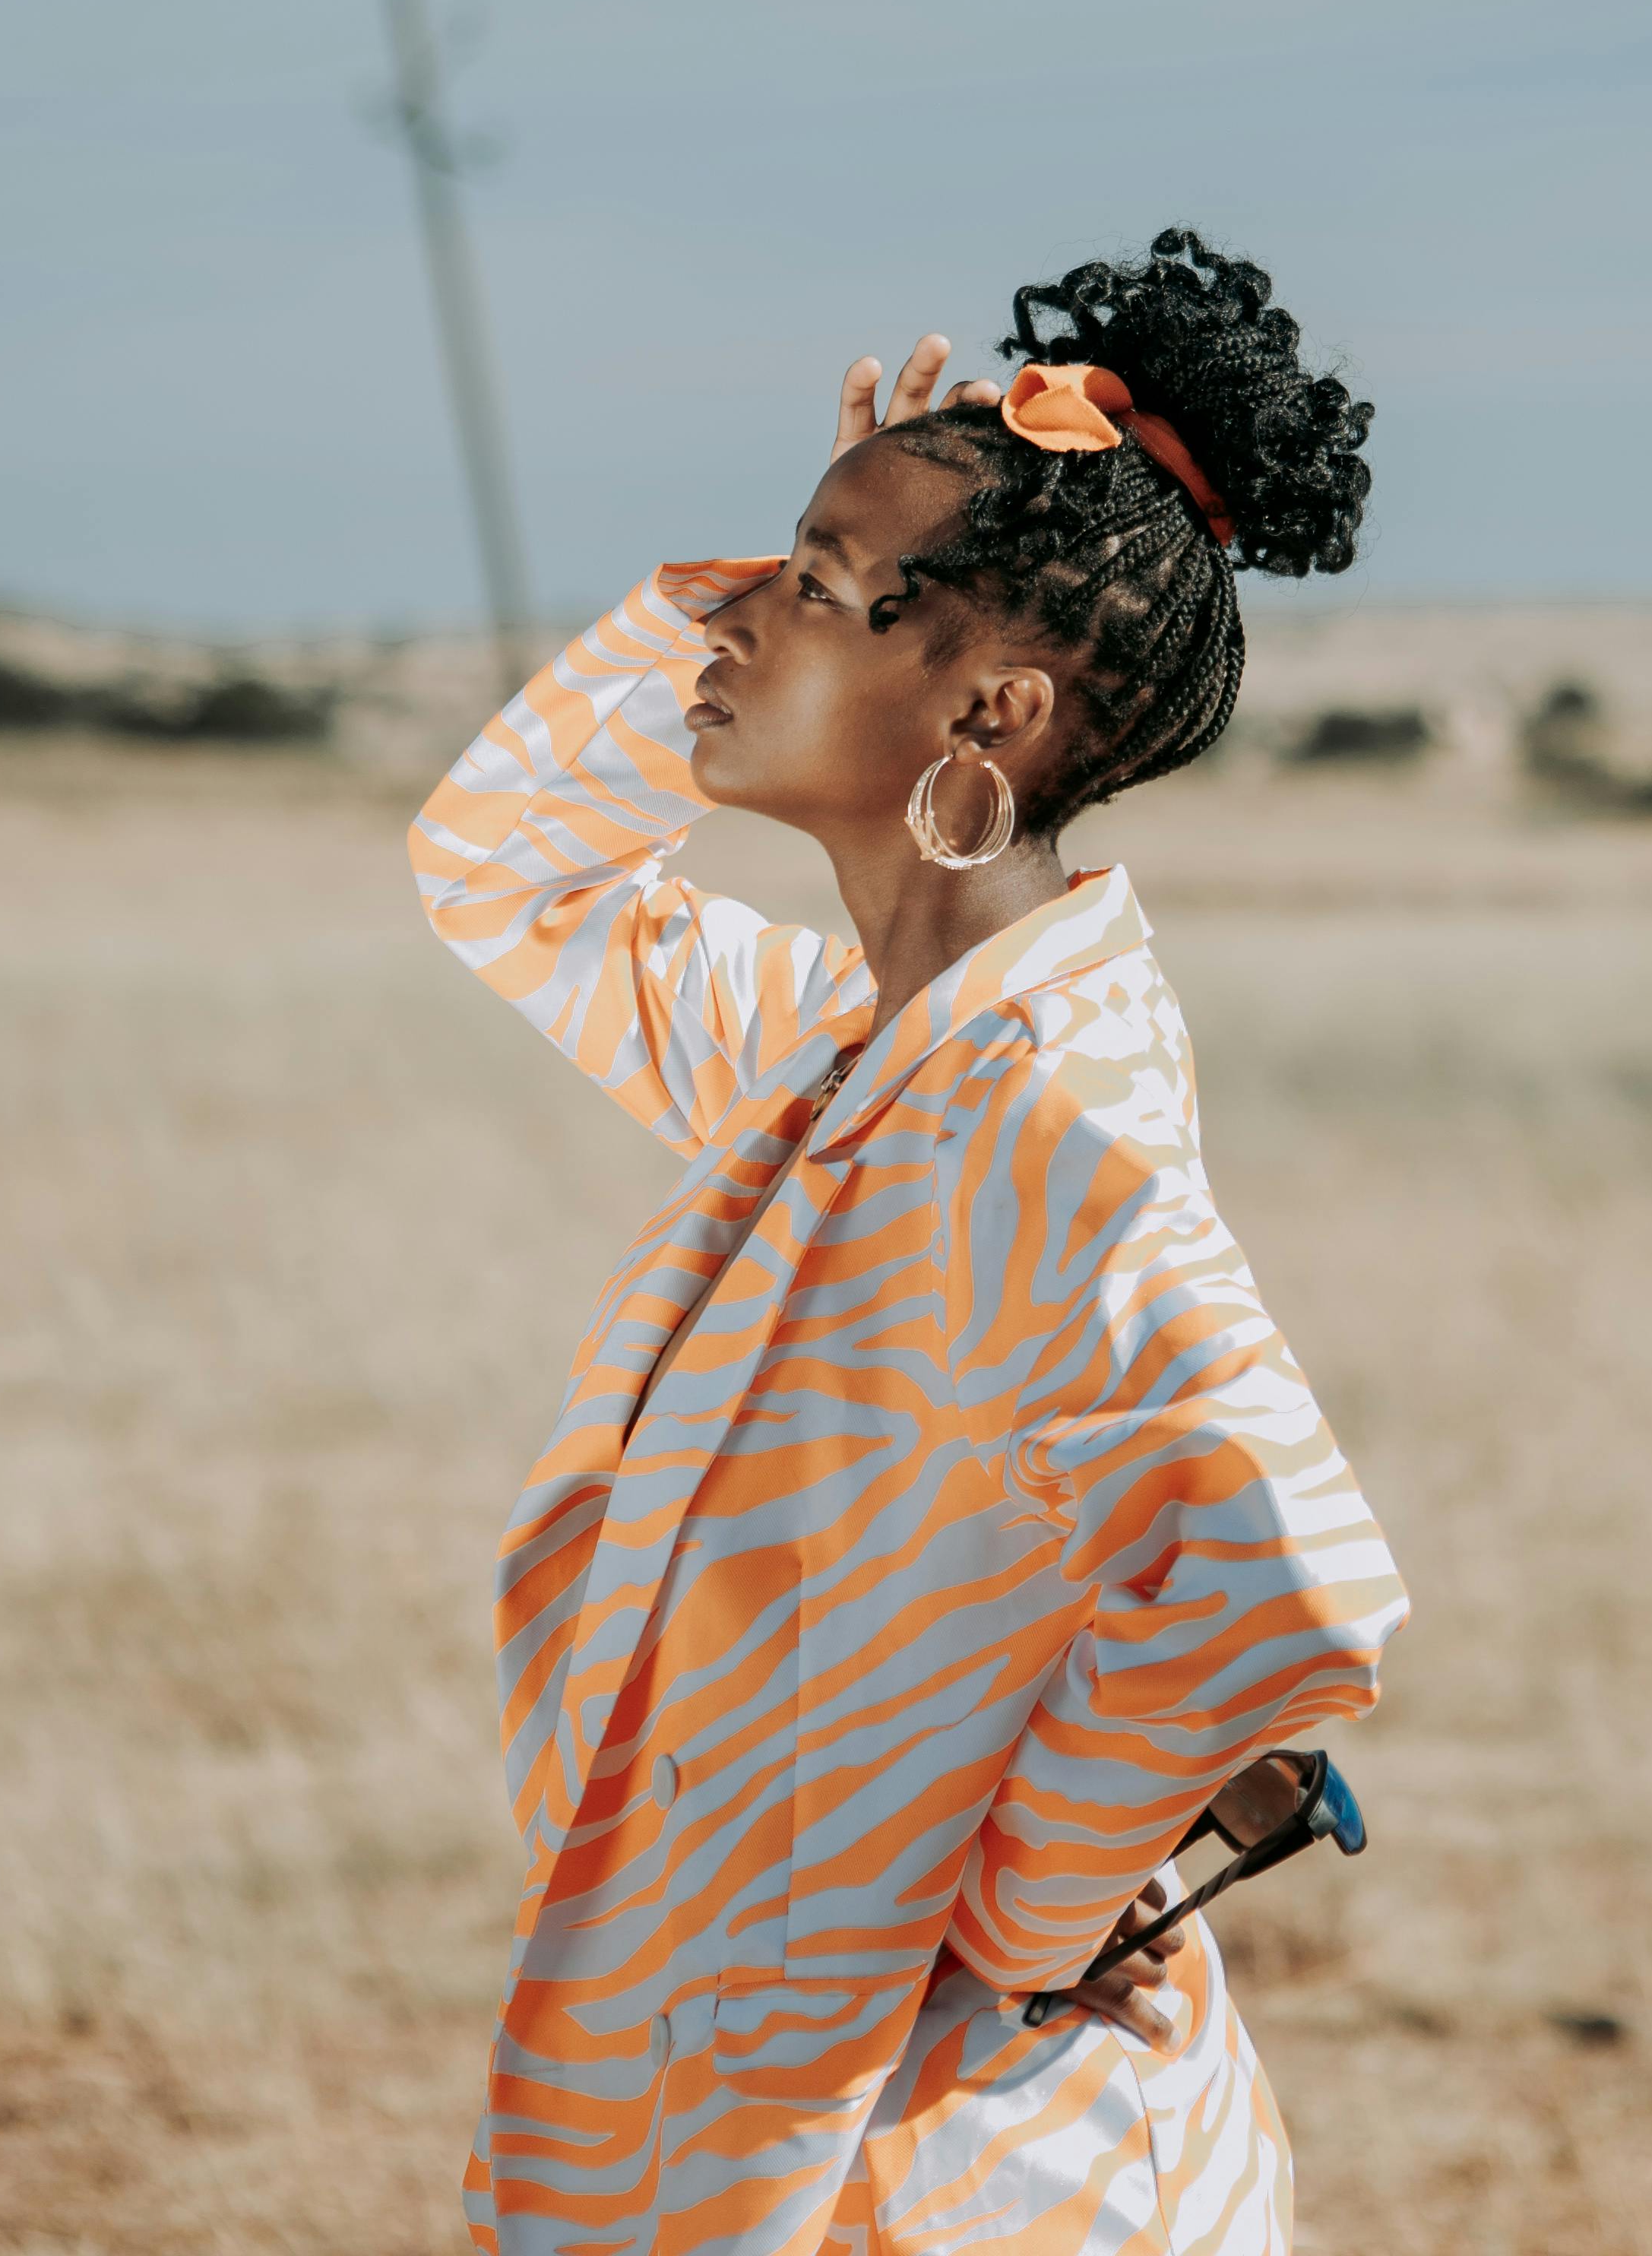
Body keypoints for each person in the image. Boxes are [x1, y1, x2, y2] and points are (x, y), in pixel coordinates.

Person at [410, 228, 1408, 2256]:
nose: (746, 620)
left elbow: (1285, 1581)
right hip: (787, 2097)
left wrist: (1026, 1904)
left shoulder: (1039, 1110)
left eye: (812, 588)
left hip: (983, 2165)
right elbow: (501, 869)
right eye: (778, 567)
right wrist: (832, 560)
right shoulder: (845, 1057)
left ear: (998, 706)